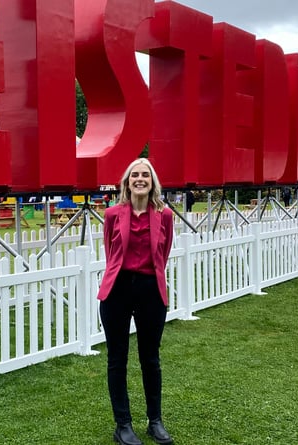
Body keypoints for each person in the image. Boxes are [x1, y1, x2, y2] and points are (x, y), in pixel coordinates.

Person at [98, 158, 175, 445]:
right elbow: (110, 253)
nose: (140, 179)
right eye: (135, 175)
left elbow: (163, 254)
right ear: (127, 182)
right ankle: (123, 425)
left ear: (152, 181)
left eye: (145, 175)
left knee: (150, 359)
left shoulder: (164, 215)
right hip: (117, 289)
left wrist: (146, 279)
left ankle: (155, 421)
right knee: (117, 359)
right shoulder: (112, 214)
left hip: (150, 289)